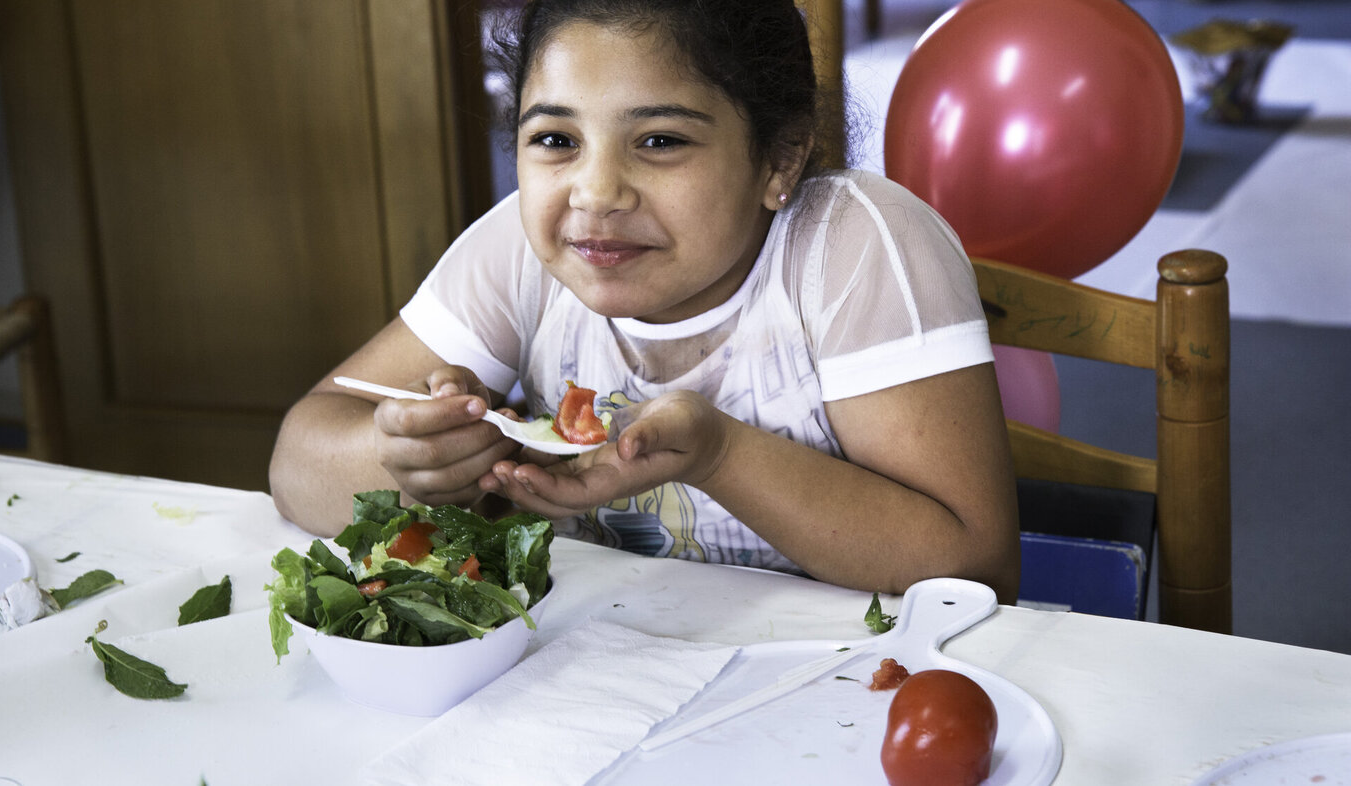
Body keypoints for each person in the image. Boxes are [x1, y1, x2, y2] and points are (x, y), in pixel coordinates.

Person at [269, 0, 1021, 602]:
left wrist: (718, 454)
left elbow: (975, 568)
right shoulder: (519, 252)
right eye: (556, 140)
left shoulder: (852, 246)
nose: (595, 194)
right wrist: (404, 461)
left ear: (780, 157)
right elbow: (296, 462)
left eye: (660, 141)